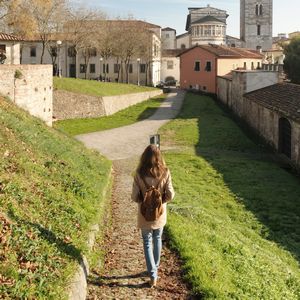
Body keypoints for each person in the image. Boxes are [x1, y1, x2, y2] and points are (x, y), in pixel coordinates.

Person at [131, 144, 175, 288]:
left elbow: (134, 196)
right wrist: (161, 202)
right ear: (159, 157)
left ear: (144, 157)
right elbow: (170, 194)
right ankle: (154, 269)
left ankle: (152, 275)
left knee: (147, 242)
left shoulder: (139, 173)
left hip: (144, 215)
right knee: (157, 238)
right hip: (160, 214)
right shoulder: (166, 172)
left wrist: (144, 202)